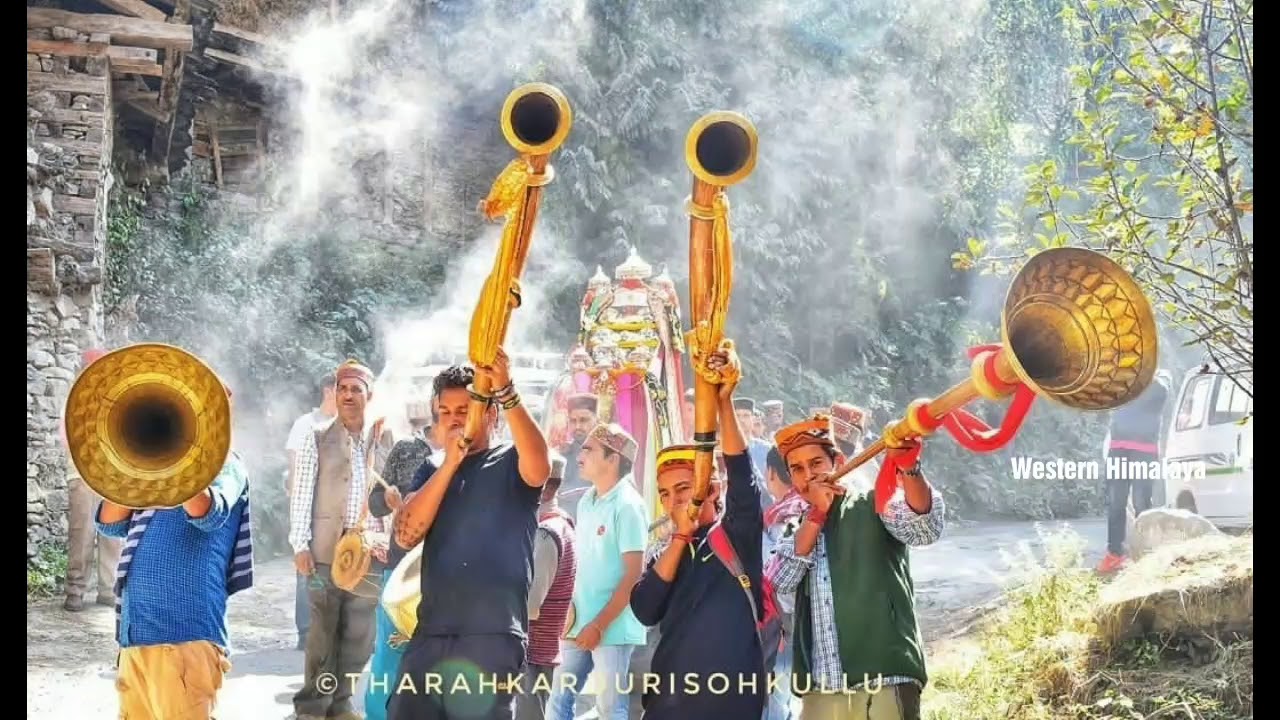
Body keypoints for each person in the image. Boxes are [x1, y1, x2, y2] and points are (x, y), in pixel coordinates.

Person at [388, 353, 552, 720]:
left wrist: (506, 390)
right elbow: (405, 534)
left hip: (493, 635)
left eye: (465, 409)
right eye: (445, 412)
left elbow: (540, 465)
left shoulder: (510, 460)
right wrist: (449, 464)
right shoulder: (433, 468)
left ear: (490, 413)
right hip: (431, 630)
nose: (454, 419)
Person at [766, 412, 945, 719]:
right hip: (821, 687)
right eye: (797, 469)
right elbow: (780, 582)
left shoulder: (875, 503)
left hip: (885, 678)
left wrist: (909, 468)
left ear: (836, 462)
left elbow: (924, 528)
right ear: (791, 478)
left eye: (817, 463)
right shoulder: (795, 529)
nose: (808, 475)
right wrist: (816, 516)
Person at [94, 383, 253, 720]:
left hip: (186, 637)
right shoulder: (155, 471)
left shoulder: (228, 466)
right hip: (135, 638)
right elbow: (109, 522)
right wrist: (133, 462)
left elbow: (208, 514)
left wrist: (178, 461)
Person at [628, 340, 769, 720]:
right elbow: (644, 609)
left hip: (731, 703)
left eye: (683, 488)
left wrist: (723, 402)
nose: (673, 500)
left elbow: (743, 477)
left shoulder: (734, 535)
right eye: (665, 494)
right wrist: (678, 537)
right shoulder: (664, 553)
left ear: (713, 488)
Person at [289, 360, 395, 720]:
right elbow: (302, 494)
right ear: (334, 393)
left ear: (370, 395)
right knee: (322, 630)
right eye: (342, 389)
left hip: (368, 554)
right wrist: (299, 544)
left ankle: (341, 703)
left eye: (356, 389)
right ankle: (312, 708)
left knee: (359, 634)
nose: (348, 395)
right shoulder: (315, 437)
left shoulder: (384, 438)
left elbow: (392, 498)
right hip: (323, 551)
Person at [545, 423, 649, 720]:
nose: (581, 454)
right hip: (577, 621)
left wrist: (599, 626)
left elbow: (633, 576)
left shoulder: (628, 505)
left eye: (589, 449)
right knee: (557, 699)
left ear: (613, 458)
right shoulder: (588, 500)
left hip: (612, 628)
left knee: (609, 708)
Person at [365, 410, 445, 720]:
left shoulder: (470, 457)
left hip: (445, 571)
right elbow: (374, 502)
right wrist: (386, 499)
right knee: (390, 650)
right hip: (401, 569)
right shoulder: (407, 449)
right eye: (448, 414)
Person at [518, 453, 578, 720]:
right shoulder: (558, 523)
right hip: (533, 654)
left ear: (541, 485)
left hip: (530, 656)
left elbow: (529, 606)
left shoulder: (546, 533)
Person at [63, 349, 122, 612]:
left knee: (112, 534)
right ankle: (75, 590)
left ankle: (108, 589)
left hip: (111, 475)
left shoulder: (117, 400)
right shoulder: (75, 400)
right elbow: (68, 438)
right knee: (82, 533)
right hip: (82, 474)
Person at [1098, 369, 1171, 573]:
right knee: (1115, 503)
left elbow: (1159, 393)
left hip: (1145, 453)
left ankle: (1146, 554)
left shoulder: (1160, 383)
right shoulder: (1121, 379)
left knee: (1142, 504)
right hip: (1118, 448)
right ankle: (1114, 554)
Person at [285, 371, 337, 648]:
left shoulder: (346, 424)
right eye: (342, 389)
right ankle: (306, 632)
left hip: (336, 509)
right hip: (310, 505)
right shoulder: (305, 424)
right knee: (308, 568)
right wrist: (299, 506)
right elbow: (294, 466)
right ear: (329, 390)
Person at [557, 392, 599, 519]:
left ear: (596, 420)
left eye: (584, 420)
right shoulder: (561, 455)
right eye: (573, 421)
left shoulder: (608, 456)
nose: (578, 426)